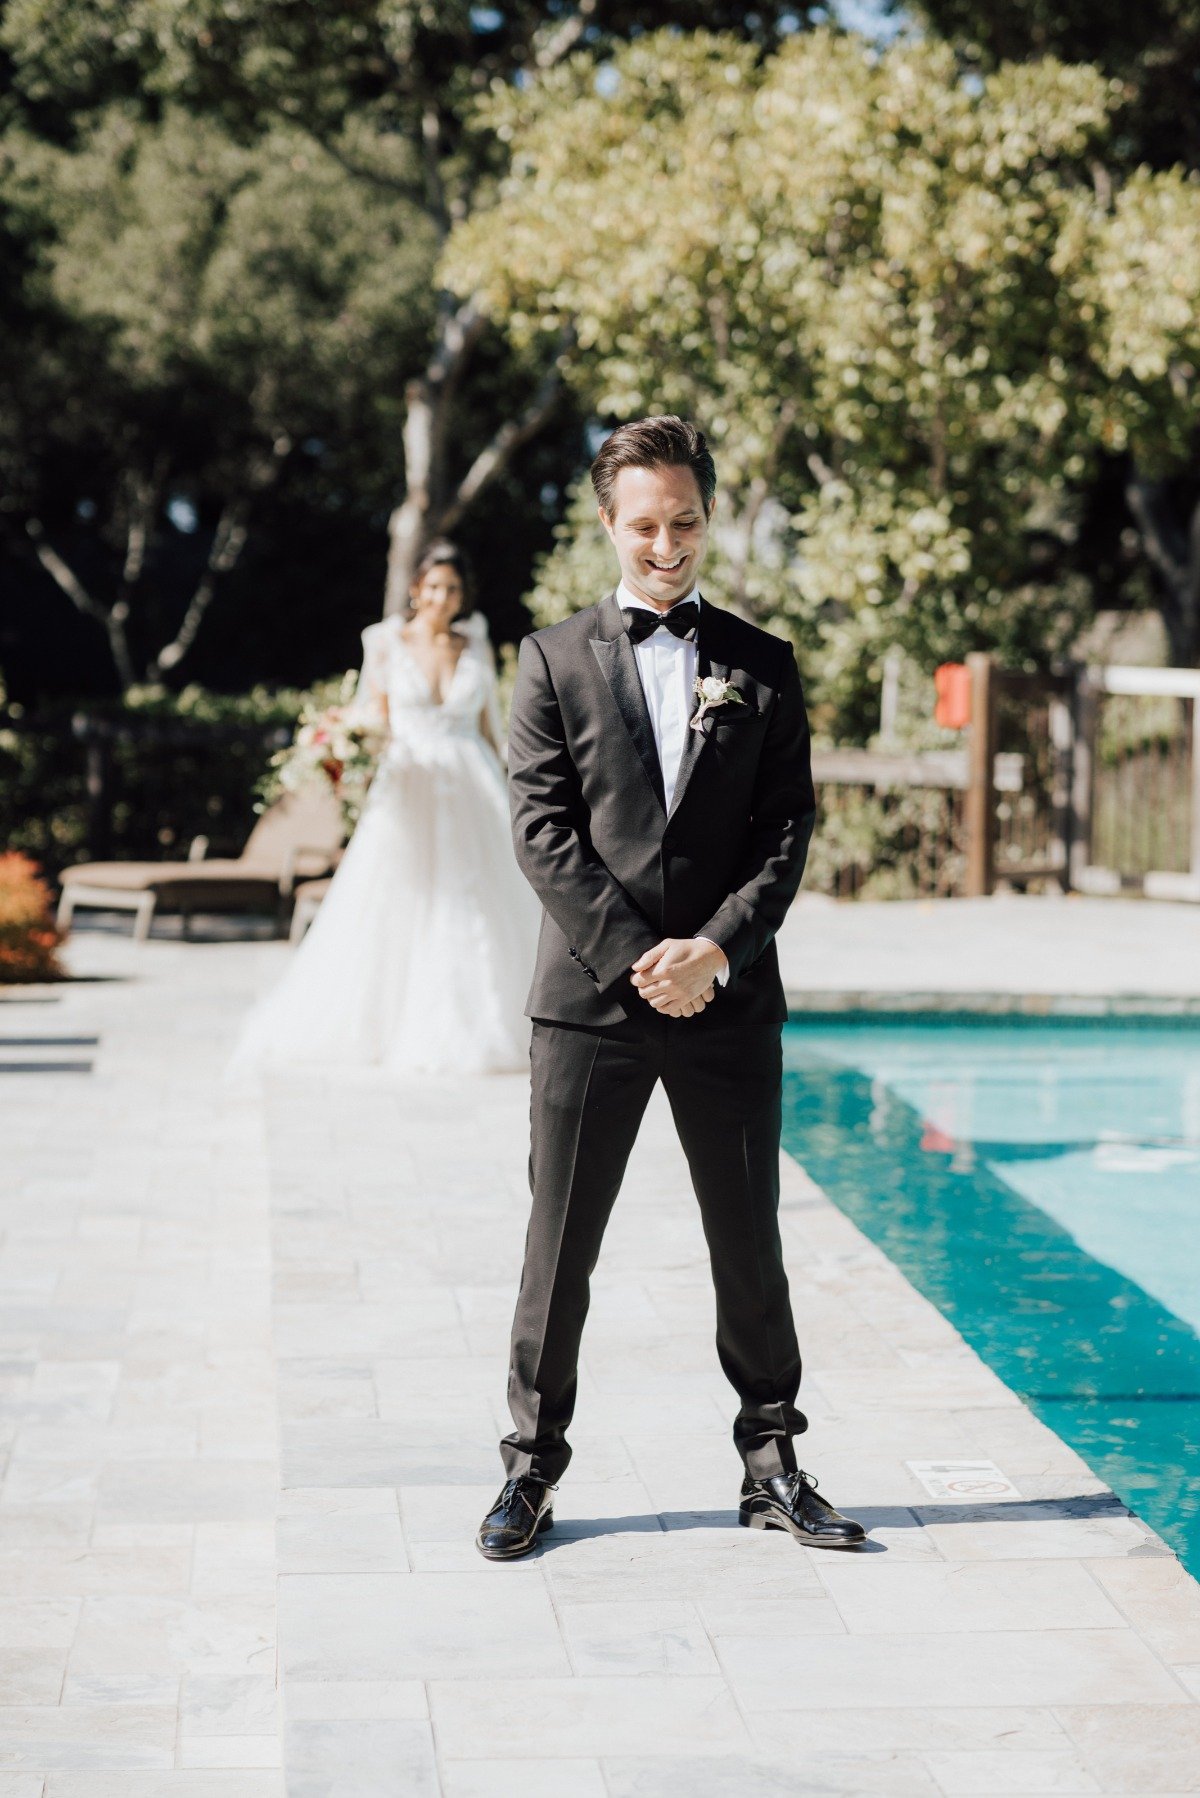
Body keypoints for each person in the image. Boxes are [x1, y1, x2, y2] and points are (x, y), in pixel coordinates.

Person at [476, 416, 866, 1558]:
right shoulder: (548, 660)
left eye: (685, 521)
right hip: (590, 1006)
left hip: (730, 1004)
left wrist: (716, 953)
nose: (667, 544)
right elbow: (542, 832)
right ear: (609, 524)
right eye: (644, 524)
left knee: (749, 1241)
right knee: (560, 1245)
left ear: (709, 519)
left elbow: (787, 830)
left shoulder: (764, 663)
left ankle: (773, 1462)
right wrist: (642, 960)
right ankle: (530, 1470)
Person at [231, 542, 539, 1077]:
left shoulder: (477, 643)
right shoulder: (384, 642)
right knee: (399, 899)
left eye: (453, 589)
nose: (443, 598)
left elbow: (492, 726)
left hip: (475, 784)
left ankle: (498, 1019)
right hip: (409, 784)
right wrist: (347, 752)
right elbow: (372, 720)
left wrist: (518, 787)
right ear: (417, 588)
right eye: (434, 587)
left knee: (484, 900)